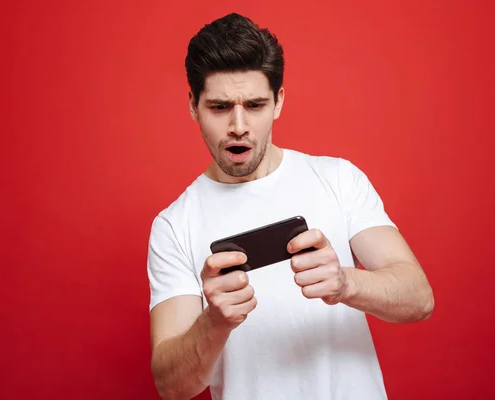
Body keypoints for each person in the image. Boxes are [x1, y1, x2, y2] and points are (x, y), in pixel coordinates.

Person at [147, 12, 434, 400]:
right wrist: (214, 323)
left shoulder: (337, 179)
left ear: (278, 102)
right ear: (193, 106)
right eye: (218, 107)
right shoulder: (174, 225)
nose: (238, 125)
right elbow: (171, 386)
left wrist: (347, 283)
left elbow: (419, 298)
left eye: (255, 104)